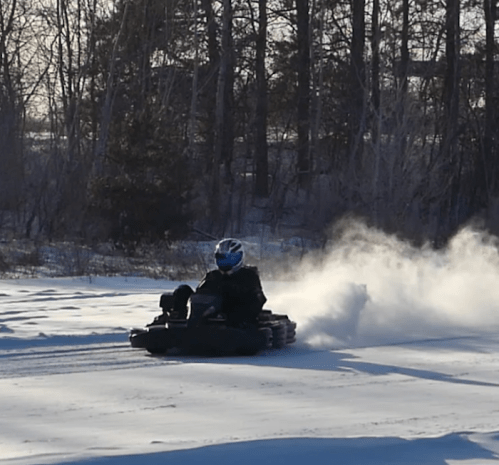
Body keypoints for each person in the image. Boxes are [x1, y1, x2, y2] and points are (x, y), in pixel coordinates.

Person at [149, 238, 266, 327]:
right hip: (207, 317)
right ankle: (176, 317)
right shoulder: (213, 276)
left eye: (230, 259)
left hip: (233, 319)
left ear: (239, 257)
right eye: (222, 259)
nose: (225, 263)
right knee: (183, 289)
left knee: (231, 293)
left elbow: (258, 300)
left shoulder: (249, 276)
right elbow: (200, 294)